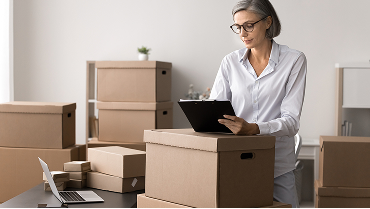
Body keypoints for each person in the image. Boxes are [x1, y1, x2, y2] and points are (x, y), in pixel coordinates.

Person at [209, 0, 307, 207]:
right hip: (235, 159)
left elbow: (291, 122)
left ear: (268, 21)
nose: (243, 33)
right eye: (238, 27)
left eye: (249, 25)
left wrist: (254, 129)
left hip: (277, 164)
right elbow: (215, 109)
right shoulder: (230, 62)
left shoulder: (294, 60)